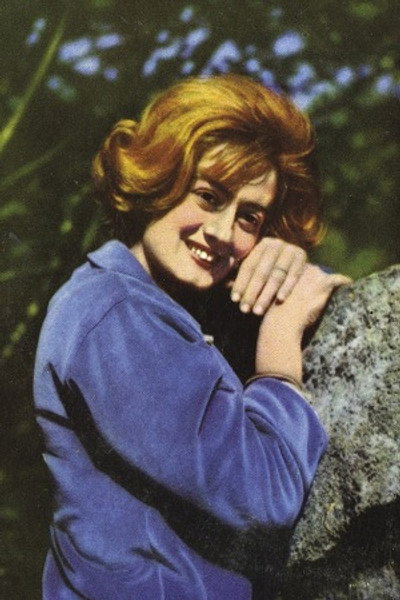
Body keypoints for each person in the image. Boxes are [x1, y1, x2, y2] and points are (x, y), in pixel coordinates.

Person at [34, 74, 350, 600]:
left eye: (249, 218)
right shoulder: (117, 316)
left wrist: (286, 268)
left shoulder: (166, 307)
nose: (223, 233)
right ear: (160, 178)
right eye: (208, 196)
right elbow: (263, 495)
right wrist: (278, 351)